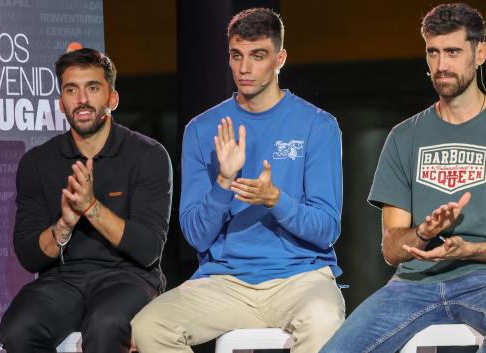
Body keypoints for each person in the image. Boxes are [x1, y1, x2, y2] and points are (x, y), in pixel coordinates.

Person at [321, 3, 486, 353]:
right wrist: (423, 233)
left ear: (480, 53)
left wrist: (473, 248)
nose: (441, 65)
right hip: (412, 284)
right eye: (433, 52)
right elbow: (391, 249)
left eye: (453, 52)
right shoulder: (404, 136)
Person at [131, 8, 344, 353]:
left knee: (325, 320)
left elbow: (327, 229)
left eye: (257, 56)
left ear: (280, 58)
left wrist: (276, 199)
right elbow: (197, 236)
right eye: (236, 55)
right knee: (148, 327)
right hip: (225, 282)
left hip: (300, 278)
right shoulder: (202, 130)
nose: (244, 68)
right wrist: (224, 182)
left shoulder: (317, 126)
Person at [0, 48, 172, 353]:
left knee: (105, 327)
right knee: (17, 329)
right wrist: (64, 225)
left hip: (129, 277)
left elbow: (148, 250)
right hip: (64, 279)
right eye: (71, 90)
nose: (82, 100)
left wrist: (91, 208)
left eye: (92, 88)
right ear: (61, 103)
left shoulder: (148, 155)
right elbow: (29, 255)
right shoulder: (37, 162)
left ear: (112, 98)